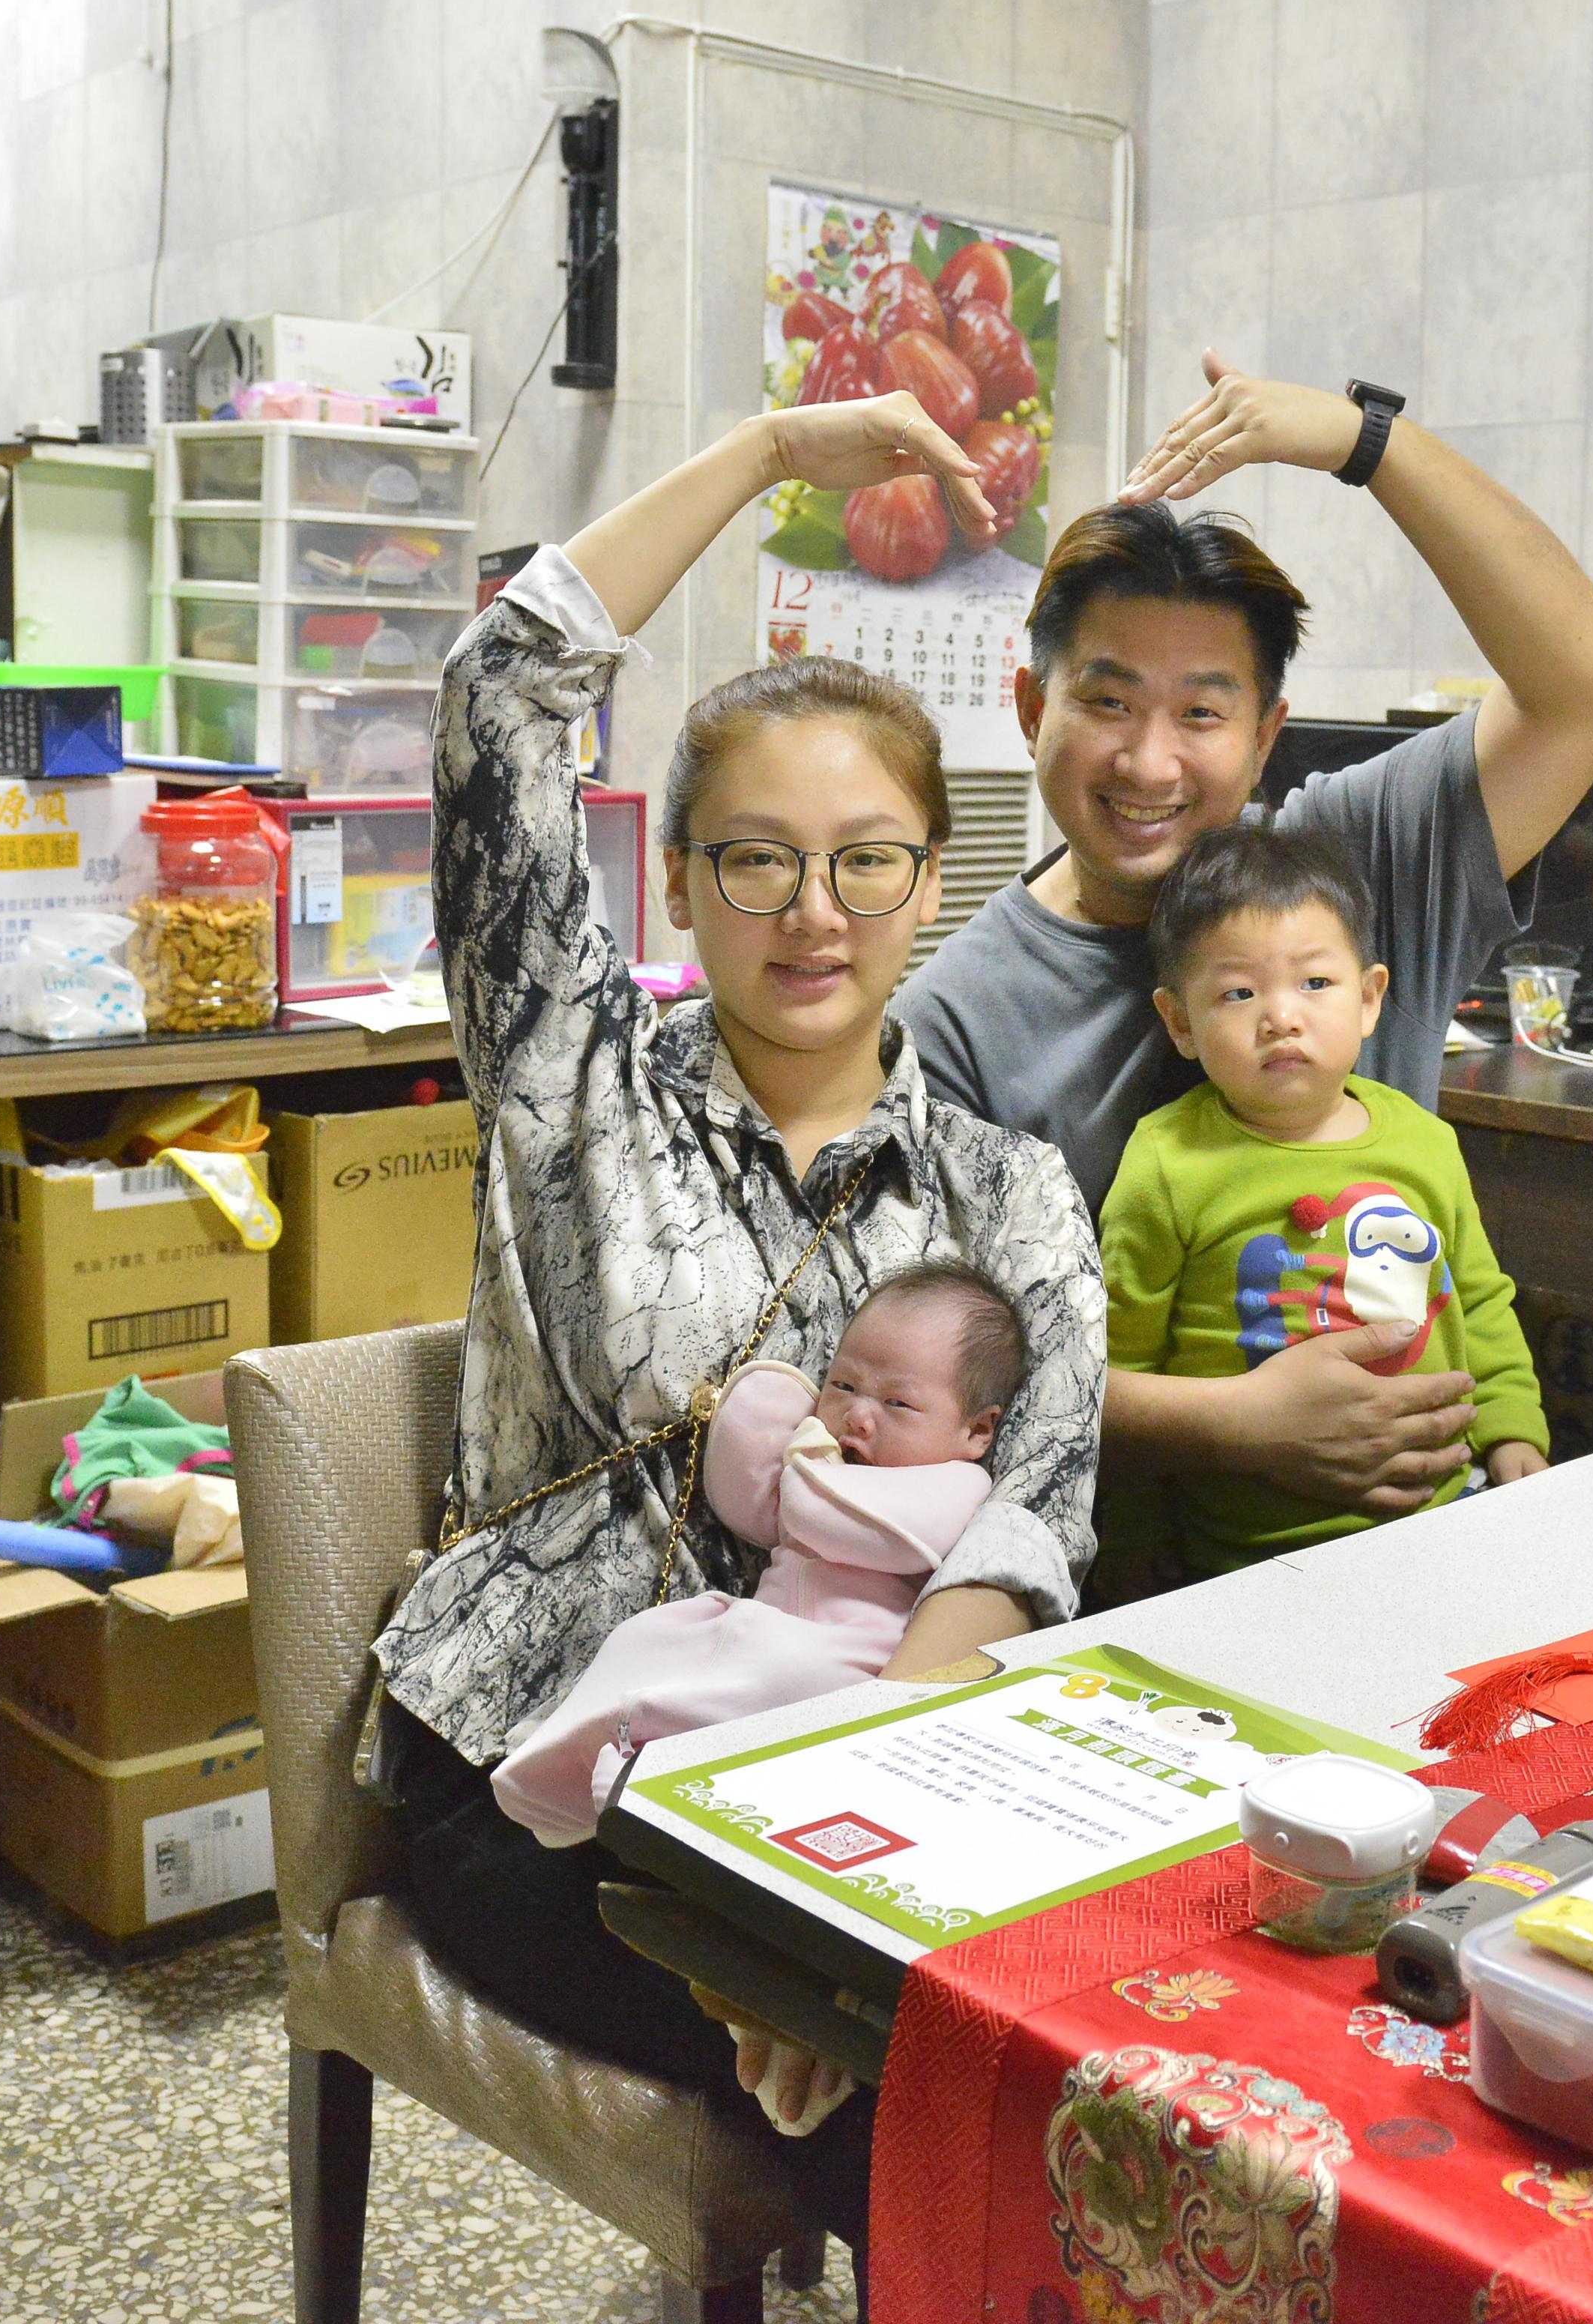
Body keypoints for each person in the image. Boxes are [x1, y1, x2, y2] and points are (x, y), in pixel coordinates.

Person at [362, 393, 1104, 2211]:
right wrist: (768, 453)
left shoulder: (1008, 1189)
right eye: (756, 858)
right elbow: (497, 696)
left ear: (930, 886)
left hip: (863, 1767)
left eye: (867, 859)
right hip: (543, 1762)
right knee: (915, 2085)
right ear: (681, 881)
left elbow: (1030, 1518)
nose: (812, 910)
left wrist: (826, 1864)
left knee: (1057, 2031)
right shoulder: (573, 1079)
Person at [896, 349, 1593, 1564]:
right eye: (1107, 703)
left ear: (1264, 736)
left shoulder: (1347, 867)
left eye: (1201, 712)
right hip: (1148, 1597)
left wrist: (1364, 441)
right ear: (1032, 710)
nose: (1150, 762)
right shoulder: (954, 1023)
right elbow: (941, 1383)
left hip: (1419, 1562)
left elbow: (1590, 683)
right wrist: (1232, 1428)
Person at [1102, 825, 1549, 1581]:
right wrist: (1134, 1558)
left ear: (1369, 998)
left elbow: (1478, 1300)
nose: (1281, 1016)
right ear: (1180, 1021)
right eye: (1239, 993)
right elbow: (1122, 1364)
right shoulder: (1166, 1162)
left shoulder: (1424, 1141)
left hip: (1442, 1520)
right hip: (1244, 1558)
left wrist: (1514, 1435)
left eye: (1315, 983)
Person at [488, 1261, 1023, 1850]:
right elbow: (743, 1500)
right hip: (762, 1624)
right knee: (650, 1636)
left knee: (778, 1669)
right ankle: (568, 1755)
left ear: (977, 1431)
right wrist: (767, 1407)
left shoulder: (957, 1486)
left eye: (898, 1403)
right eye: (843, 1386)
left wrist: (807, 1456)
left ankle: (651, 1768)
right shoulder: (818, 1470)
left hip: (846, 1659)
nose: (857, 1416)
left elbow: (829, 1518)